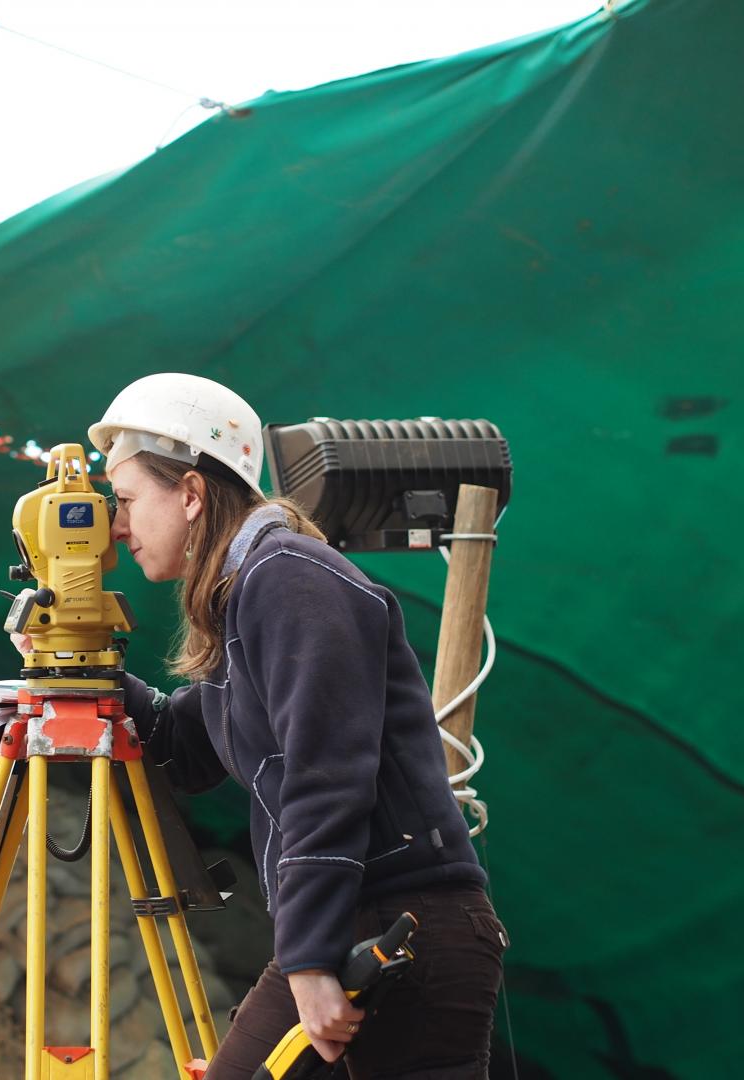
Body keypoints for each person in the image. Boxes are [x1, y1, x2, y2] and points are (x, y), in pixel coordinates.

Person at [85, 372, 507, 1079]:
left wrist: (309, 959)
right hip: (367, 923)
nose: (117, 525)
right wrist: (81, 660)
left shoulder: (288, 578)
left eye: (126, 501)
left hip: (399, 929)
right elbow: (184, 749)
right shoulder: (248, 590)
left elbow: (326, 771)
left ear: (190, 494)